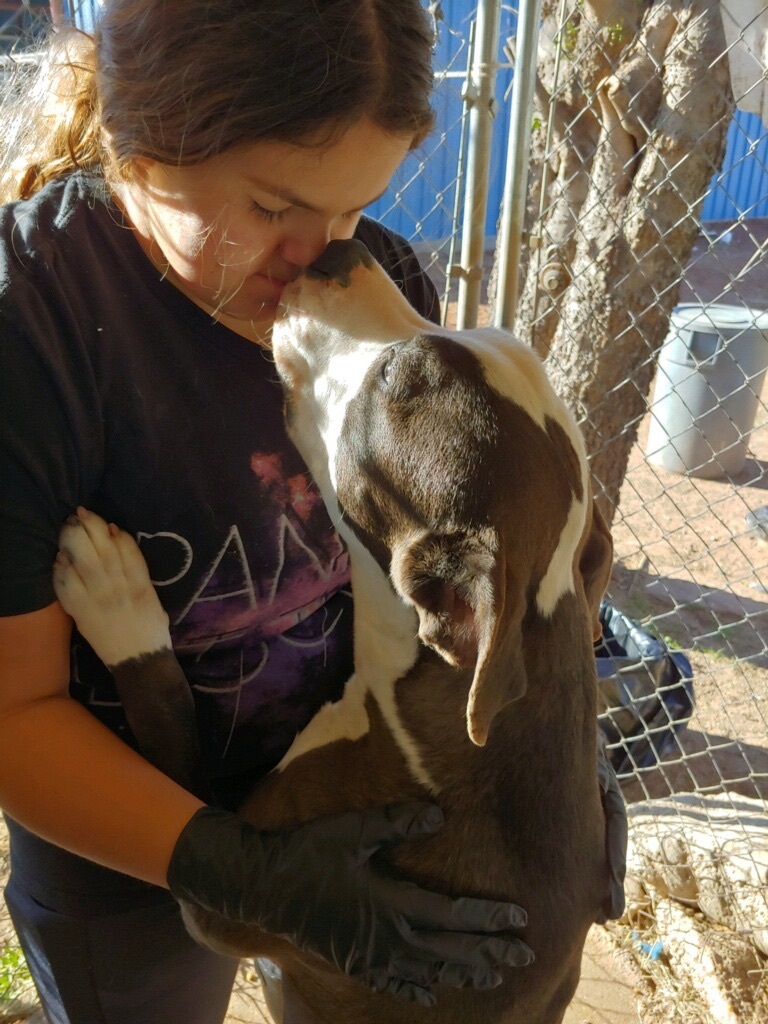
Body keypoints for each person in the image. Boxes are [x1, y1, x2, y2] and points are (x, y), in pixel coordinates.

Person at [0, 3, 626, 1023]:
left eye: (352, 209)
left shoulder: (363, 279)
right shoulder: (35, 335)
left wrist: (554, 760)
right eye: (272, 206)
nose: (326, 255)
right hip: (121, 846)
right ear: (142, 138)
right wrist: (242, 871)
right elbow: (13, 715)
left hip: (358, 800)